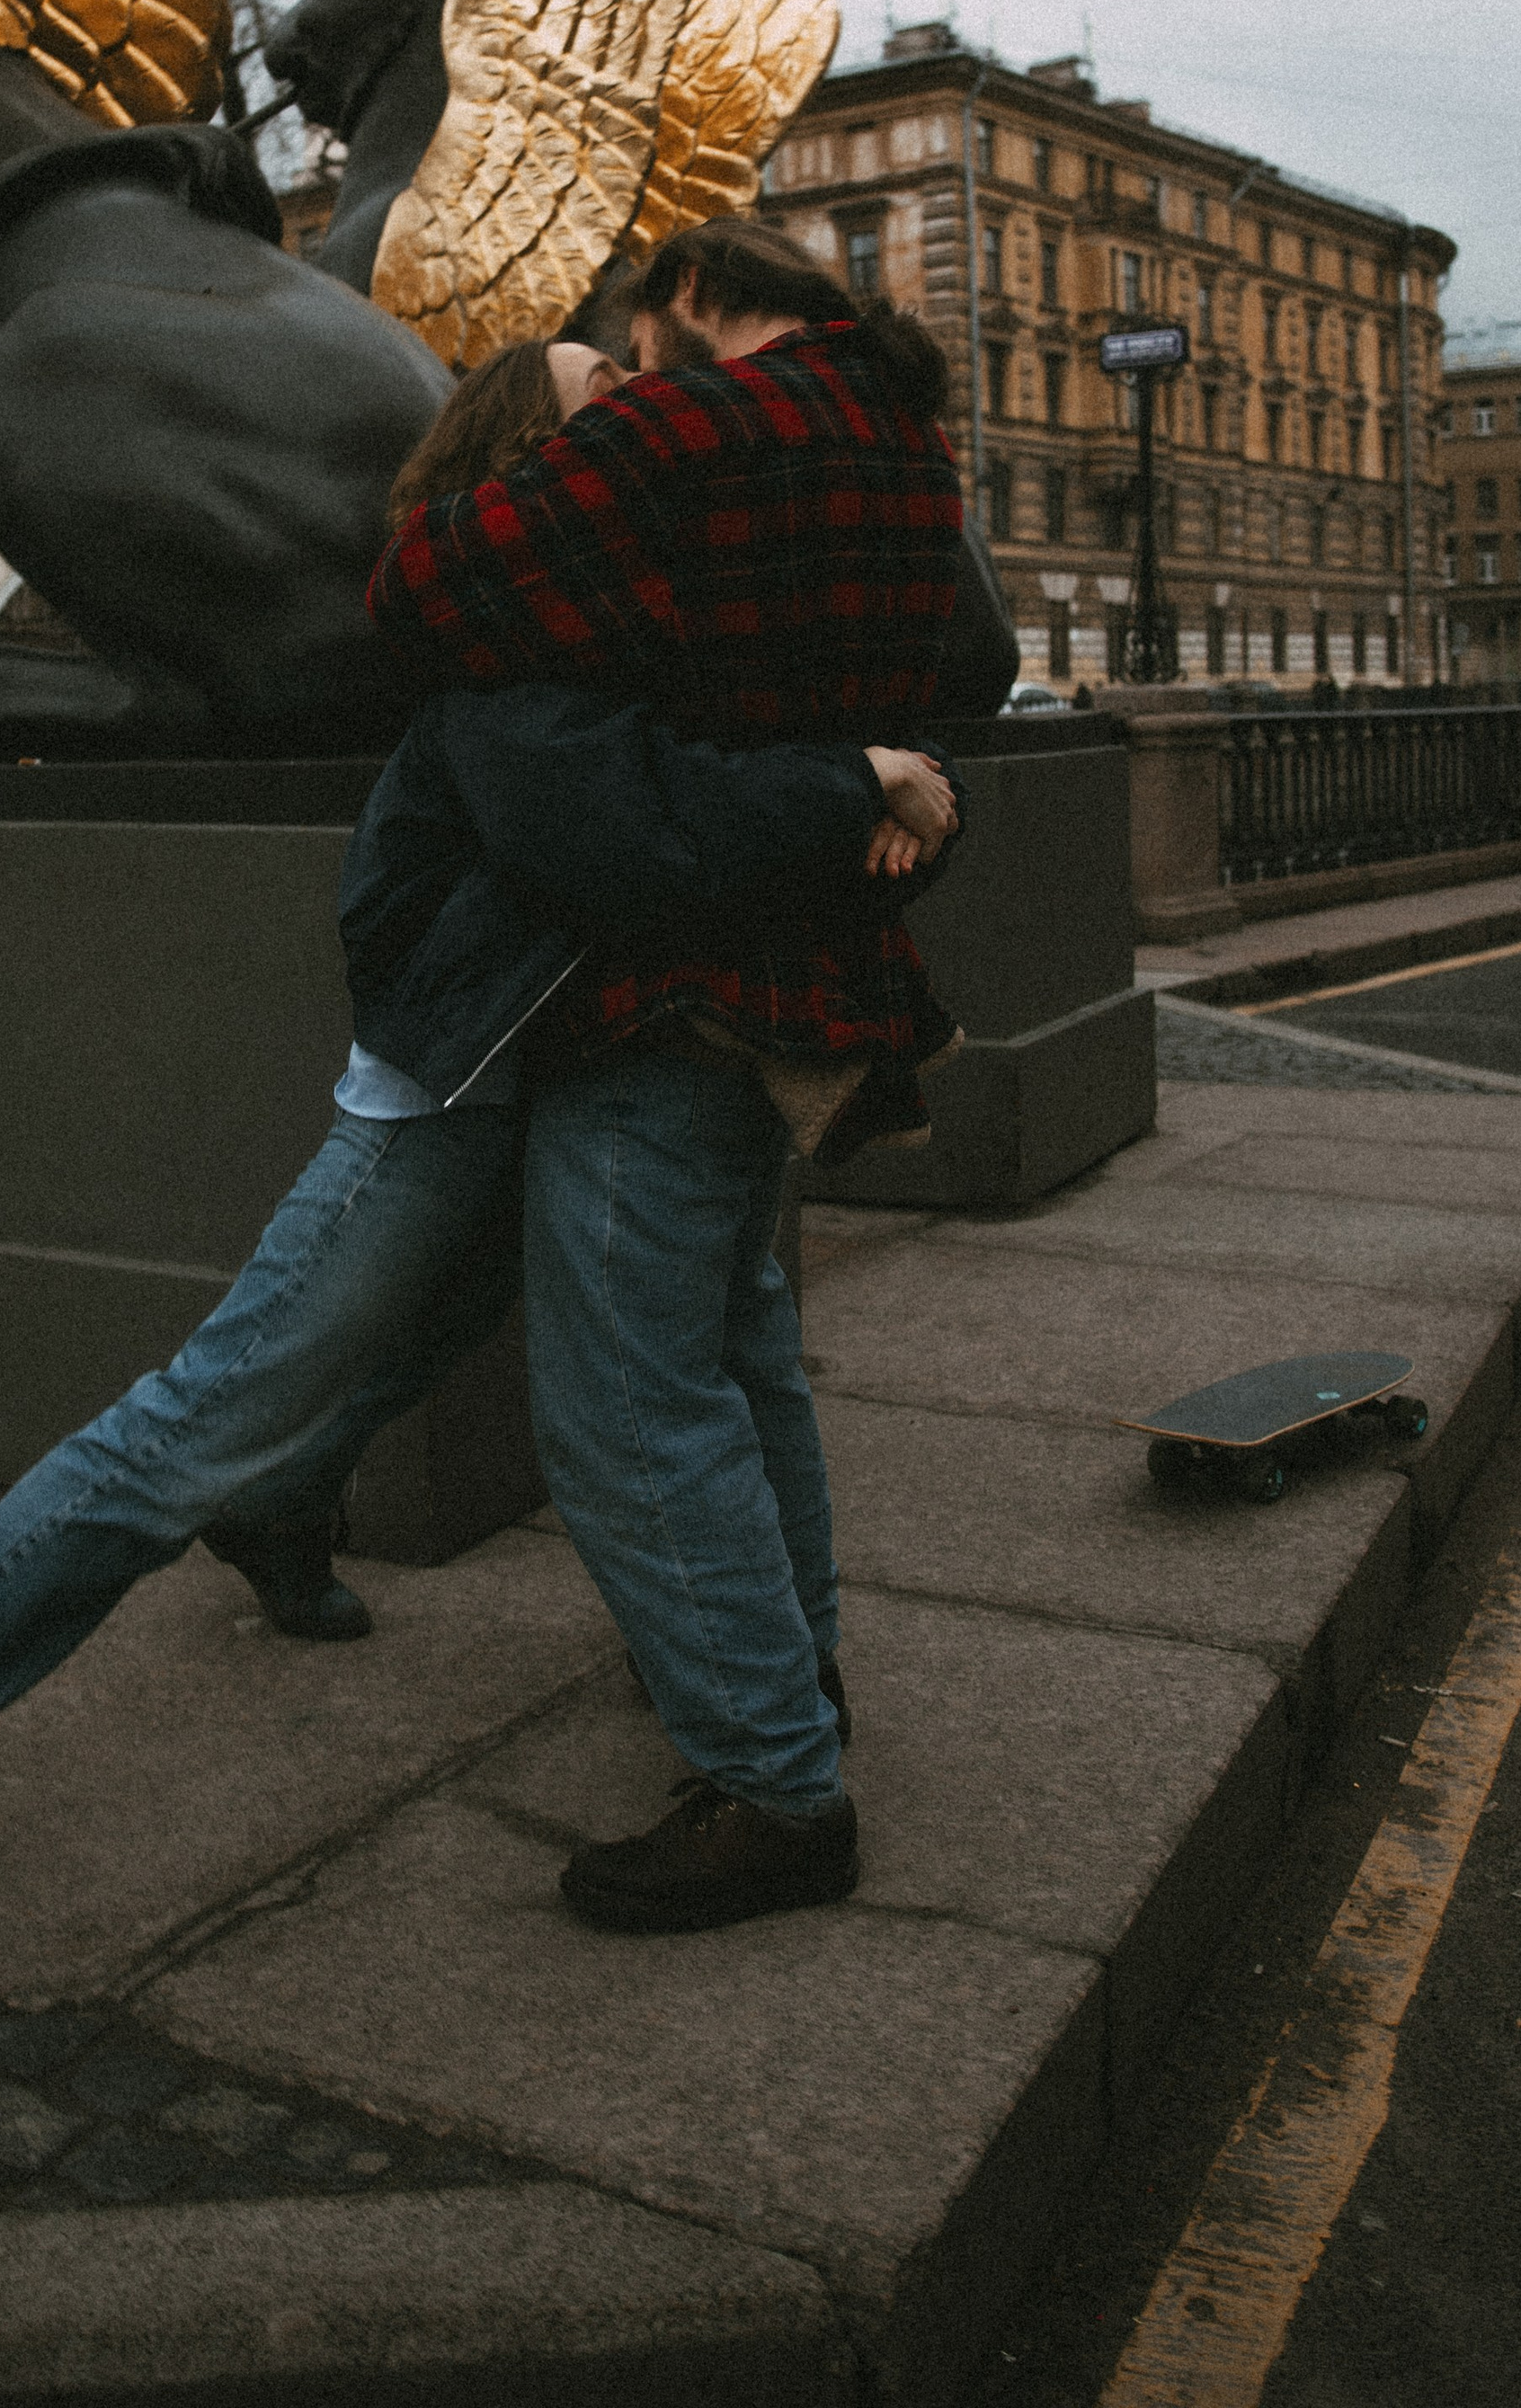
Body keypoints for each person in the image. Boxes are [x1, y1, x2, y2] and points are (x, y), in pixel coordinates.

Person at [0, 317, 957, 1959]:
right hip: (461, 1090)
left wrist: (881, 782)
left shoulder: (632, 625)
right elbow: (614, 830)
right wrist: (847, 789)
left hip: (587, 1071)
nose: (658, 424)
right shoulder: (518, 652)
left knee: (694, 1363)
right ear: (537, 460)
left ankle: (731, 1696)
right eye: (612, 406)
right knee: (202, 1425)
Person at [366, 216, 964, 1930]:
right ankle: (799, 1672)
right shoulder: (906, 444)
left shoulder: (684, 428)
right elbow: (935, 699)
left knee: (630, 1406)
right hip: (819, 980)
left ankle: (775, 1788)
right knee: (744, 1356)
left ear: (693, 298)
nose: (627, 373)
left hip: (669, 995)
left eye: (638, 338)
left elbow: (416, 581)